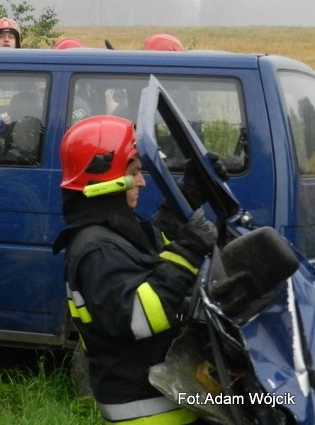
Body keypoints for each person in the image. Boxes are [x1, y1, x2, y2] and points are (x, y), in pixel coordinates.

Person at [53, 115, 217, 425]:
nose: (141, 182)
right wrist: (188, 251)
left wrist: (191, 191)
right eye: (134, 172)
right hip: (147, 411)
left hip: (168, 396)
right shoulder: (97, 249)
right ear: (107, 180)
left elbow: (153, 242)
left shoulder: (111, 232)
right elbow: (137, 317)